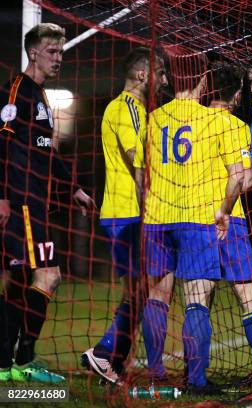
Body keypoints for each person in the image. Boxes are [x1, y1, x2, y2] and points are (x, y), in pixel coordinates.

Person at [136, 57, 252, 394]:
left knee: (158, 295)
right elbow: (241, 178)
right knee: (212, 298)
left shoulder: (152, 119)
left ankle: (155, 371)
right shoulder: (218, 122)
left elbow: (141, 172)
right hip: (206, 218)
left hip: (157, 217)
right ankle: (217, 377)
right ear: (201, 82)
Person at [0, 23, 95, 383]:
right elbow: (2, 146)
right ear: (34, 52)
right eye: (53, 51)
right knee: (47, 275)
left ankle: (11, 362)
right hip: (21, 200)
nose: (59, 58)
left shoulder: (41, 96)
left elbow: (48, 151)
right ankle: (20, 359)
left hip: (36, 202)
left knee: (24, 280)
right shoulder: (17, 92)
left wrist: (74, 189)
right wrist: (2, 198)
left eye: (61, 52)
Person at [81, 47, 168, 384]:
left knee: (140, 291)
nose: (164, 81)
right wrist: (150, 214)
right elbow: (138, 162)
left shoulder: (135, 109)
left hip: (126, 213)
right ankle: (104, 354)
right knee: (142, 291)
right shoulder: (127, 108)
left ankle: (111, 360)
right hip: (129, 214)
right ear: (142, 76)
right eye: (160, 73)